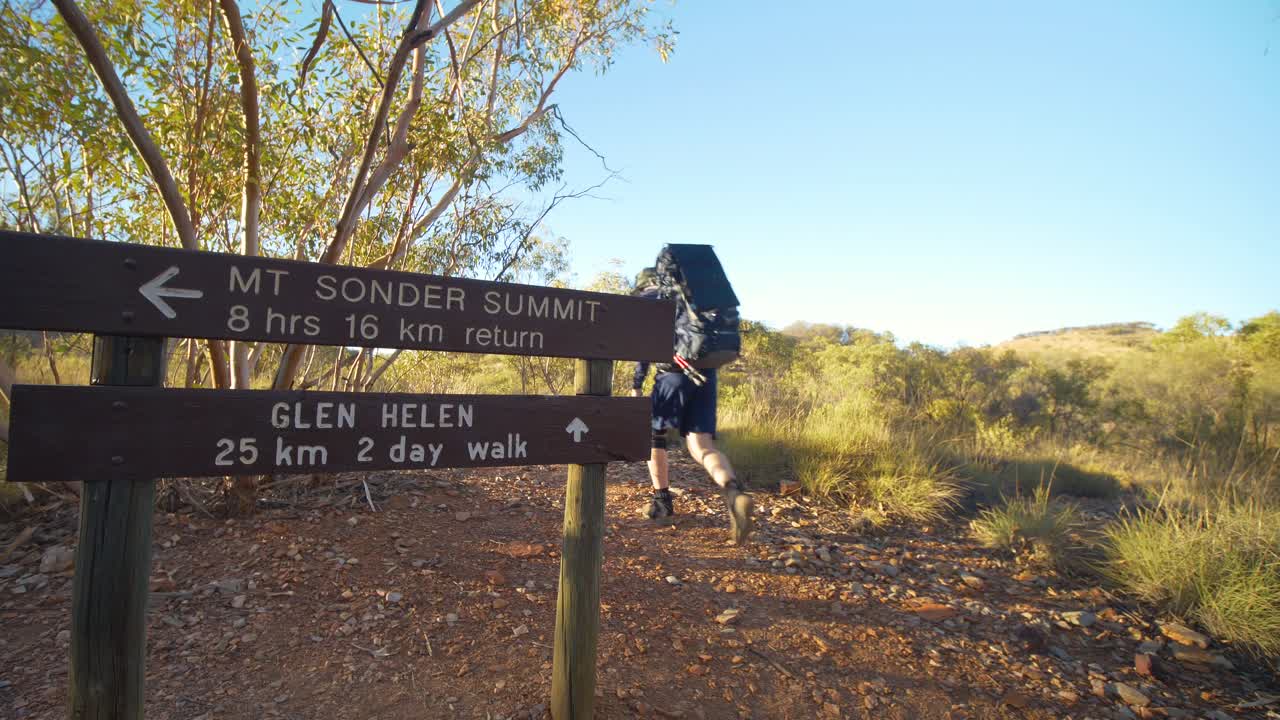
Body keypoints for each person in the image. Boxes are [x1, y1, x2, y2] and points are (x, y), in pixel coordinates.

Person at [630, 268, 754, 544]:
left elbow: (643, 348)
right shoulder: (694, 298)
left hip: (672, 375)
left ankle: (662, 503)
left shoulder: (653, 299)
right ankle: (733, 491)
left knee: (655, 438)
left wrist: (637, 382)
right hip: (706, 374)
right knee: (702, 446)